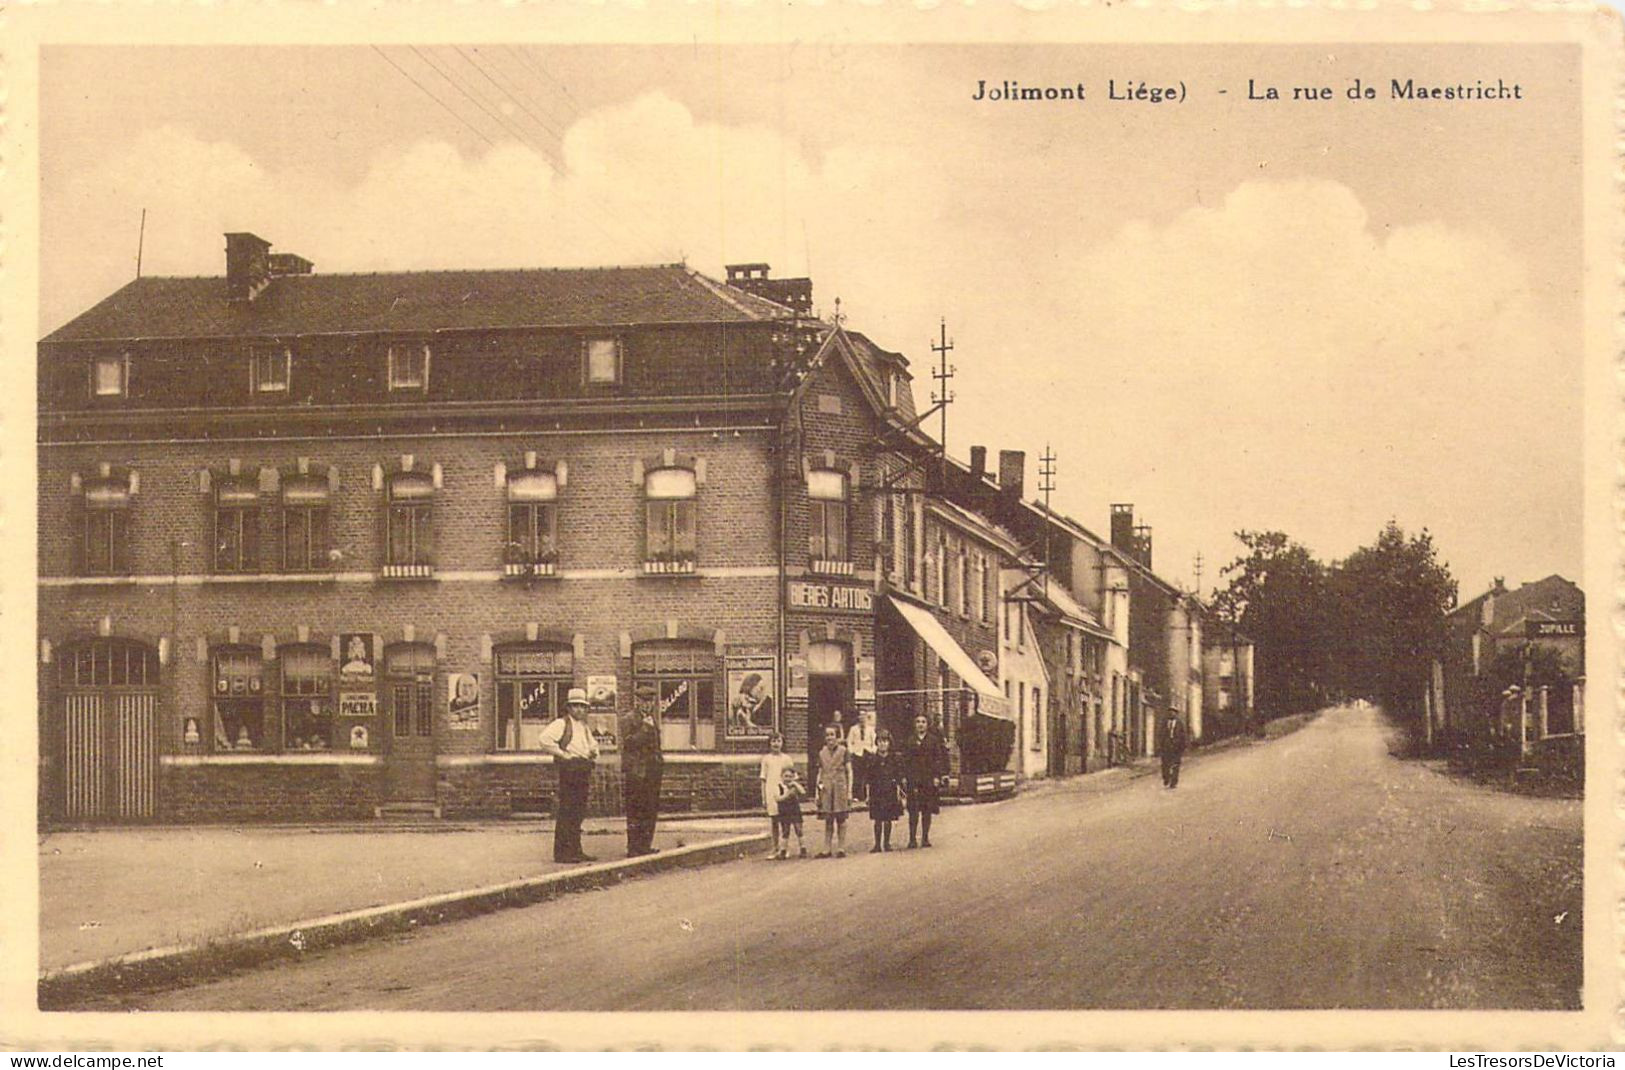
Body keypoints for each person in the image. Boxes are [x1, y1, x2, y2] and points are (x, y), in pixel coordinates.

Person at [538, 688, 601, 863]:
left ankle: (576, 850)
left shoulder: (584, 727)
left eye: (582, 706)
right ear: (569, 708)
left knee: (578, 811)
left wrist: (593, 752)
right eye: (576, 706)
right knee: (568, 810)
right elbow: (544, 739)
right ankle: (562, 853)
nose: (580, 710)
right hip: (570, 769)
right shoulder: (561, 723)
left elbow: (593, 745)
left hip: (583, 768)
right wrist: (563, 755)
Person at [899, 713, 950, 848]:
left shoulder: (933, 741)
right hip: (913, 779)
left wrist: (937, 777)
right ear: (914, 725)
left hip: (927, 779)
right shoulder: (910, 741)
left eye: (923, 722)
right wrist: (904, 776)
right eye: (918, 722)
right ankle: (912, 839)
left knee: (926, 809)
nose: (920, 724)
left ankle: (925, 838)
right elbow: (905, 760)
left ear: (927, 725)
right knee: (913, 810)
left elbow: (937, 760)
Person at [620, 699, 663, 857]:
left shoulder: (652, 718)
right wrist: (645, 728)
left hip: (652, 772)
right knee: (635, 809)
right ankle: (633, 847)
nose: (647, 705)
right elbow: (629, 743)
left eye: (650, 701)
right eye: (644, 701)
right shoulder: (628, 719)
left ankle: (645, 845)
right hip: (636, 772)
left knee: (650, 809)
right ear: (637, 702)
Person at [814, 723, 852, 858]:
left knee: (841, 818)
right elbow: (819, 773)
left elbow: (849, 771)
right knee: (828, 818)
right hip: (826, 788)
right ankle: (827, 848)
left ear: (837, 736)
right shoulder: (821, 753)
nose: (830, 737)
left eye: (832, 734)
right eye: (827, 735)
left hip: (840, 787)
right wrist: (816, 792)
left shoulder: (844, 751)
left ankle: (841, 848)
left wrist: (849, 791)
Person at [867, 729, 905, 852]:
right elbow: (869, 778)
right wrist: (867, 795)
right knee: (877, 819)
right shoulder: (873, 759)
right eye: (880, 741)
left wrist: (899, 792)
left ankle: (887, 843)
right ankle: (877, 844)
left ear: (889, 743)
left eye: (885, 741)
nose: (882, 744)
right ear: (876, 743)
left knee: (888, 818)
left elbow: (898, 776)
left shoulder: (893, 759)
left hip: (890, 790)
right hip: (876, 791)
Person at [758, 732, 795, 857]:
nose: (776, 744)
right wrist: (764, 797)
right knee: (774, 820)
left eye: (778, 741)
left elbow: (793, 777)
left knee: (785, 820)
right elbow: (763, 779)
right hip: (771, 792)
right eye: (773, 741)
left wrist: (790, 792)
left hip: (784, 791)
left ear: (782, 743)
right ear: (769, 743)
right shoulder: (766, 759)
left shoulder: (787, 759)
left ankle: (785, 848)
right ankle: (775, 848)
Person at [773, 765, 808, 859]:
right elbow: (777, 798)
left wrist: (796, 784)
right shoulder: (778, 786)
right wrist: (787, 795)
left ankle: (803, 848)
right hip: (784, 811)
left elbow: (803, 792)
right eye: (786, 776)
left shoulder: (794, 786)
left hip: (794, 810)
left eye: (790, 776)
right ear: (782, 776)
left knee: (799, 829)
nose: (788, 779)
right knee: (785, 830)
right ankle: (783, 850)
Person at [846, 709, 878, 806]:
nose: (862, 718)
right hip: (857, 753)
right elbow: (849, 741)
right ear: (858, 718)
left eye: (864, 716)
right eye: (860, 716)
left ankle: (866, 795)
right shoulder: (853, 729)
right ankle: (856, 795)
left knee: (867, 775)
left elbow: (875, 742)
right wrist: (852, 751)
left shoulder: (871, 729)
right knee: (857, 774)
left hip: (867, 753)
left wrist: (873, 750)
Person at [1159, 711, 1188, 788]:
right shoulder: (1164, 723)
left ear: (1176, 714)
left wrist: (1183, 747)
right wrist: (1160, 745)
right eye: (1170, 712)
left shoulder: (1180, 723)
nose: (1171, 714)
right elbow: (1160, 734)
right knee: (1165, 764)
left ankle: (1174, 782)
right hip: (1166, 746)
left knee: (1175, 765)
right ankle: (1166, 778)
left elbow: (1183, 735)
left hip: (1176, 747)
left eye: (1173, 712)